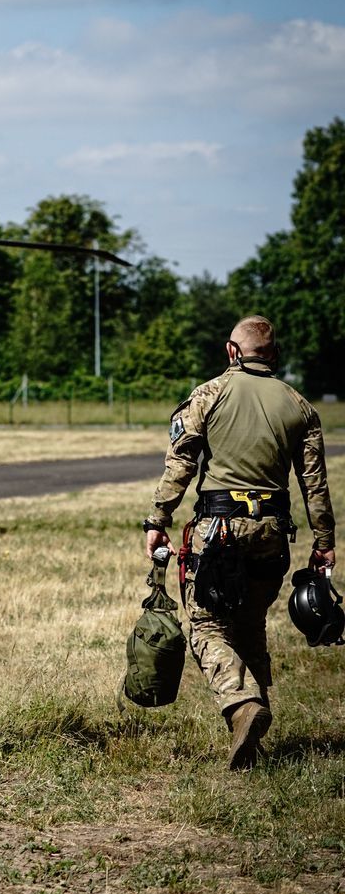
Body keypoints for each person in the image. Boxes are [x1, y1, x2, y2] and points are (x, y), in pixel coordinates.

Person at [143, 315, 336, 770]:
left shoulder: (209, 394)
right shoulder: (300, 406)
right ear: (275, 354)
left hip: (220, 529)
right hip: (273, 532)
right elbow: (315, 484)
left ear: (233, 351)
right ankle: (252, 739)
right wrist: (324, 540)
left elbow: (181, 463)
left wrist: (158, 518)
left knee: (207, 627)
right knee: (251, 625)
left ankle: (242, 703)